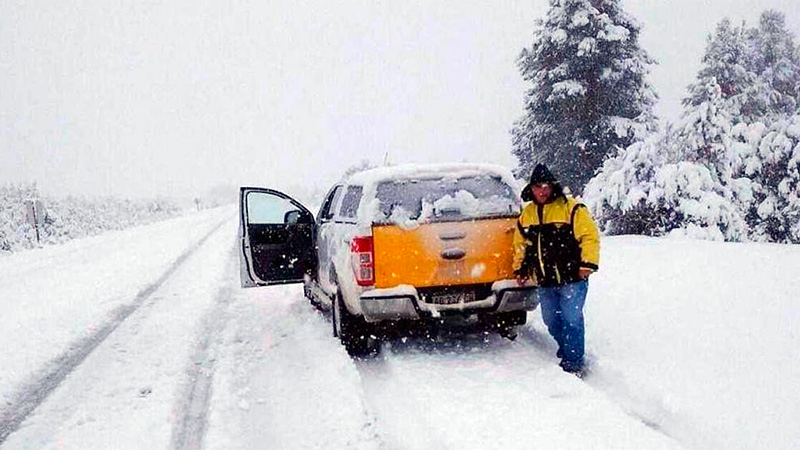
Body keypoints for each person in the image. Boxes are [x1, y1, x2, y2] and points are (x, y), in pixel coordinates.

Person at [513, 164, 600, 375]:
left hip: (573, 278)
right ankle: (568, 348)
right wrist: (520, 269)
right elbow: (521, 245)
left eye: (546, 186)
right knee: (551, 321)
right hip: (545, 280)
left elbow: (589, 236)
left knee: (571, 319)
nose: (542, 191)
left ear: (553, 186)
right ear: (531, 189)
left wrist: (587, 264)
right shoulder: (527, 215)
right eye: (537, 186)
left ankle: (573, 362)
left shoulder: (572, 208)